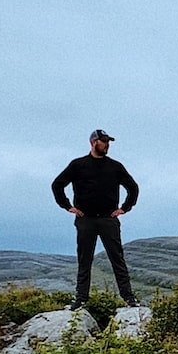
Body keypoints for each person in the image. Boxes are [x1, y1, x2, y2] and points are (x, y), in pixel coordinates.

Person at [51, 129, 140, 308]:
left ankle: (129, 298)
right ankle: (81, 299)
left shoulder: (115, 166)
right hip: (86, 219)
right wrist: (68, 206)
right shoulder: (78, 165)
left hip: (108, 219)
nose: (107, 145)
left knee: (117, 259)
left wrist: (124, 208)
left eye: (108, 142)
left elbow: (133, 187)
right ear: (93, 142)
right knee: (85, 259)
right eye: (103, 141)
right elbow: (57, 185)